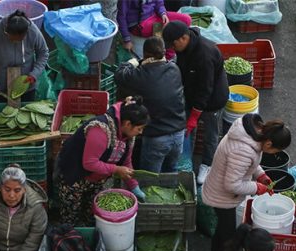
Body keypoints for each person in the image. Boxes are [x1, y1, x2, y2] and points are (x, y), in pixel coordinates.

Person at [202, 114, 292, 251]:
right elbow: (232, 185)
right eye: (275, 150)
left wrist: (261, 175)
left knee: (223, 230)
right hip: (221, 196)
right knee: (227, 234)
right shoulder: (242, 150)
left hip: (221, 188)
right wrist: (257, 188)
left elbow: (251, 162)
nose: (272, 153)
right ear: (269, 143)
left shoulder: (254, 134)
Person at [54, 97, 150, 226]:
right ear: (127, 124)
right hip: (74, 175)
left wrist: (134, 186)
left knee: (91, 214)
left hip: (96, 180)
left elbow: (126, 162)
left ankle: (88, 234)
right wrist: (115, 169)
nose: (141, 132)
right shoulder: (100, 130)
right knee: (71, 215)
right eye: (139, 128)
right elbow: (89, 163)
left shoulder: (127, 136)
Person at [162, 20, 228, 185]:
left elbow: (205, 89)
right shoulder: (185, 47)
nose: (172, 48)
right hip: (192, 94)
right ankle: (186, 162)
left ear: (184, 38)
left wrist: (195, 115)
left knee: (210, 134)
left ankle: (207, 164)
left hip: (212, 99)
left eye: (173, 45)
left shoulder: (205, 55)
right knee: (187, 131)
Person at [115, 37, 186, 173]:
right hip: (179, 134)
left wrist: (134, 62)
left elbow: (119, 75)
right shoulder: (174, 69)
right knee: (171, 172)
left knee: (151, 178)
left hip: (157, 137)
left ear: (145, 53)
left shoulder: (139, 75)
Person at [0, 10, 49, 103]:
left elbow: (43, 53)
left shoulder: (32, 31)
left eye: (19, 39)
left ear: (26, 33)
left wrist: (35, 73)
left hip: (26, 85)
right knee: (2, 114)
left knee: (25, 113)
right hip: (0, 87)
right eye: (12, 39)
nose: (15, 41)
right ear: (6, 31)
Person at [117, 0, 191, 52]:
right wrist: (127, 40)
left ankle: (172, 49)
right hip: (139, 24)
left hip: (154, 15)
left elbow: (159, 3)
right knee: (167, 29)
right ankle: (167, 56)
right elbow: (121, 17)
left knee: (186, 19)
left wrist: (163, 13)